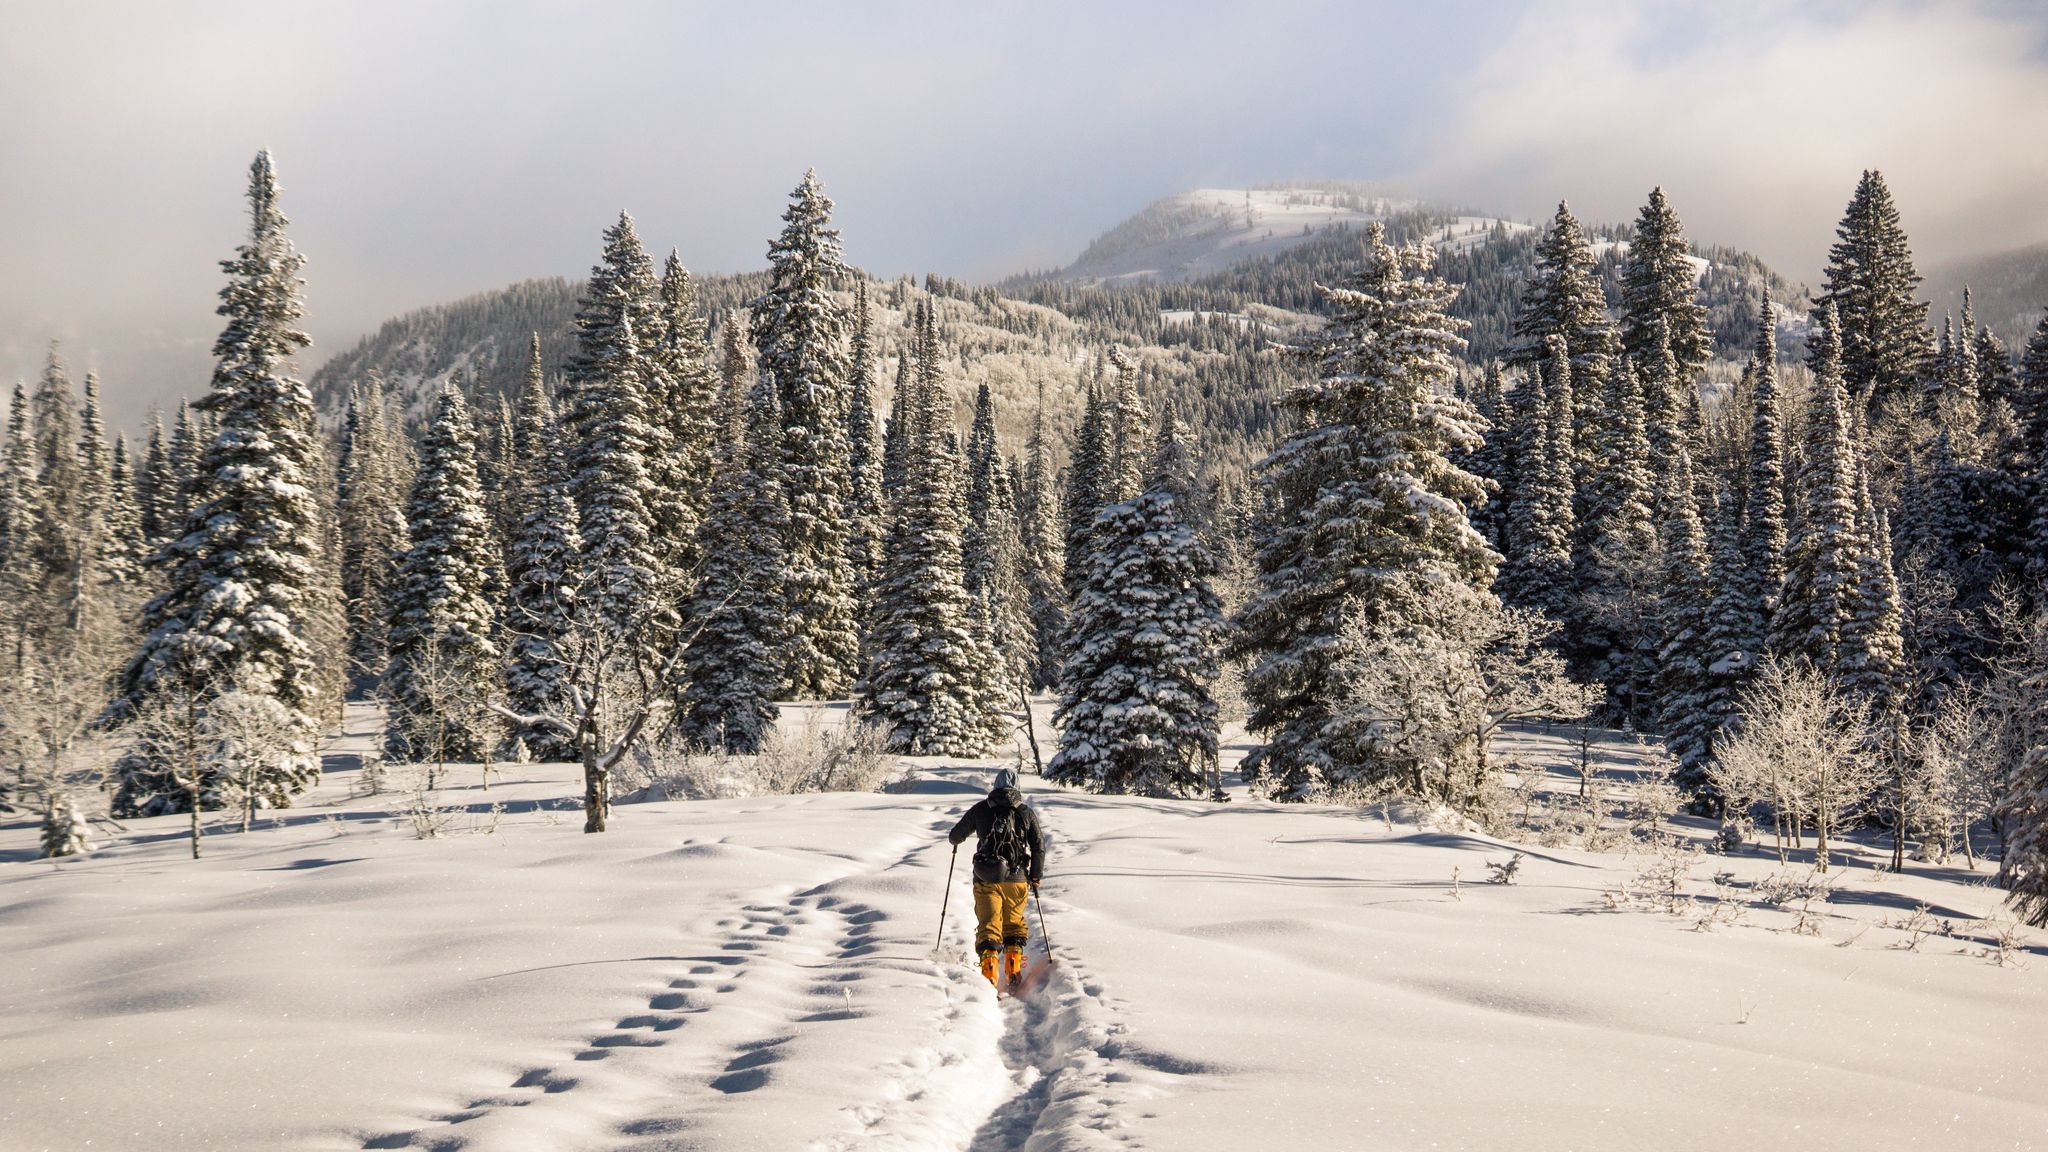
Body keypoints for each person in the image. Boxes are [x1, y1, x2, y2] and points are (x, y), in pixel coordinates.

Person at [947, 768, 1044, 987]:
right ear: (1017, 787)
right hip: (1017, 879)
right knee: (1014, 925)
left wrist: (956, 842)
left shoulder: (982, 809)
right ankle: (1013, 968)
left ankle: (989, 976)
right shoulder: (1025, 812)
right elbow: (1038, 846)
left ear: (995, 786)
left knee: (989, 925)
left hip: (985, 876)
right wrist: (1035, 875)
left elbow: (955, 835)